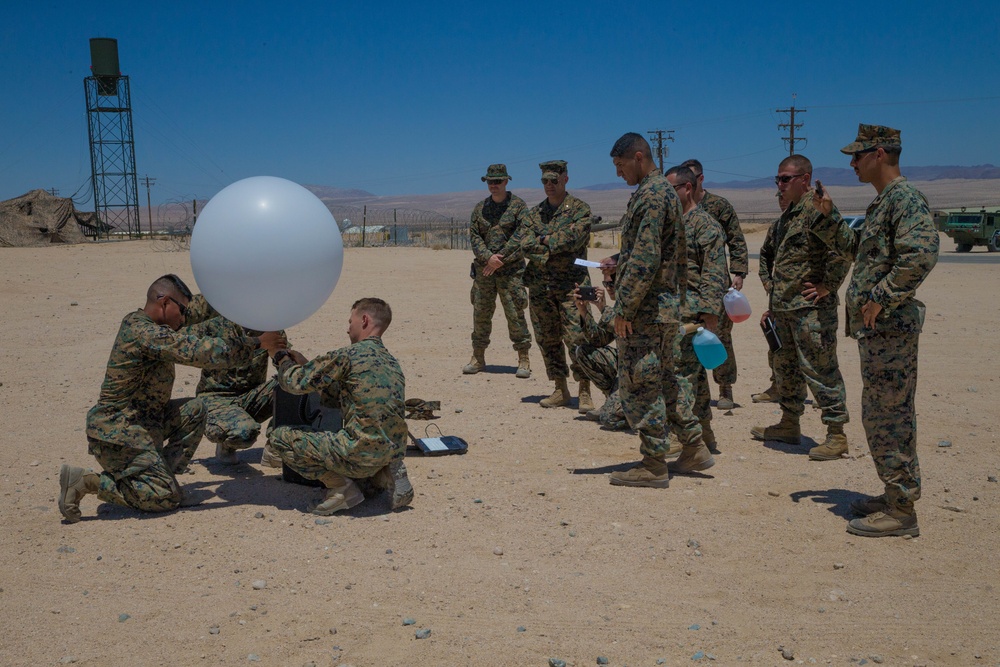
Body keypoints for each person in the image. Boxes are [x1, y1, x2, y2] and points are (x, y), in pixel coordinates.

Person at [58, 274, 285, 523]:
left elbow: (199, 309)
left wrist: (240, 292)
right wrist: (256, 344)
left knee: (195, 410)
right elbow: (199, 352)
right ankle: (88, 482)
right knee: (162, 499)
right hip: (119, 431)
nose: (185, 318)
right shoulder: (143, 332)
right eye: (182, 311)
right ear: (165, 302)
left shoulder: (158, 325)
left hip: (146, 422)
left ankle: (162, 478)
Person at [812, 124, 939, 537]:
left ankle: (903, 510)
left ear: (879, 153)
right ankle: (893, 494)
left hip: (891, 331)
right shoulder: (882, 204)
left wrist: (881, 297)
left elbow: (921, 253)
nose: (852, 164)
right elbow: (857, 253)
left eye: (857, 156)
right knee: (881, 413)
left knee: (891, 414)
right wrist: (829, 219)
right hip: (879, 335)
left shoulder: (903, 199)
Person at [604, 133, 714, 488]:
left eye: (621, 167)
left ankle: (653, 464)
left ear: (639, 157)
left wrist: (624, 307)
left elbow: (647, 257)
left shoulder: (652, 194)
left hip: (648, 311)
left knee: (642, 382)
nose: (620, 174)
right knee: (667, 380)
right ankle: (694, 446)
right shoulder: (662, 192)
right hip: (663, 307)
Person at [267, 298, 412, 515]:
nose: (347, 329)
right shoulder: (391, 362)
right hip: (394, 448)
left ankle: (341, 489)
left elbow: (293, 383)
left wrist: (279, 356)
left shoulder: (348, 355)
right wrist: (306, 365)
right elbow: (333, 398)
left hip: (360, 450)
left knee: (279, 438)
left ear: (364, 320)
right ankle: (383, 473)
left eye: (350, 321)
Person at [750, 155, 852, 461]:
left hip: (810, 311)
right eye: (777, 179)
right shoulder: (787, 216)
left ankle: (836, 434)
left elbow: (844, 251)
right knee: (786, 369)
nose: (779, 185)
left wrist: (827, 286)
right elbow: (772, 257)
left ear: (805, 179)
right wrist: (772, 292)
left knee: (820, 369)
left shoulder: (818, 211)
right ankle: (789, 423)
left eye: (785, 179)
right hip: (784, 309)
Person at [521, 160, 595, 411]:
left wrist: (544, 241)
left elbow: (575, 239)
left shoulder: (579, 209)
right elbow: (525, 244)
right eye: (545, 181)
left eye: (554, 180)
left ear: (565, 179)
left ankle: (584, 389)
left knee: (577, 338)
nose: (549, 185)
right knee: (547, 338)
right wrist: (552, 246)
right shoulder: (534, 213)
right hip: (541, 287)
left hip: (572, 286)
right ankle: (560, 388)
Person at [665, 166, 729, 453]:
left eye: (671, 190)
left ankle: (682, 437)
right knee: (694, 374)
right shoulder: (673, 224)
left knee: (680, 373)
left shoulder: (705, 225)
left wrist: (710, 312)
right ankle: (706, 433)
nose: (667, 196)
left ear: (687, 188)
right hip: (674, 309)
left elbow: (715, 271)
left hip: (693, 312)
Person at [679, 159, 748, 410]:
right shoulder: (677, 210)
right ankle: (697, 397)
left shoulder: (718, 206)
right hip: (688, 290)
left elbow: (737, 240)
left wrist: (739, 271)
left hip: (715, 283)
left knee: (719, 337)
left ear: (700, 179)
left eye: (695, 177)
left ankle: (725, 387)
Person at [182, 295, 282, 466]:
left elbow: (281, 357)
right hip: (216, 399)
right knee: (244, 434)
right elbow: (181, 346)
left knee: (291, 383)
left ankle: (276, 445)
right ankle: (225, 442)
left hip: (251, 397)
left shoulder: (267, 324)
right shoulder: (213, 323)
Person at [464, 164, 533, 378]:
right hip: (485, 271)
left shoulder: (519, 207)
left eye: (498, 181)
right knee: (481, 313)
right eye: (490, 182)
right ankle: (478, 356)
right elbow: (475, 236)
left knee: (515, 315)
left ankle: (523, 358)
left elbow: (521, 236)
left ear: (506, 182)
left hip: (510, 271)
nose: (494, 185)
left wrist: (499, 259)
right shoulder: (480, 209)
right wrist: (488, 258)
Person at [569, 259, 629, 432]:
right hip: (625, 367)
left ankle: (634, 413)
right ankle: (614, 399)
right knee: (585, 352)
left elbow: (626, 328)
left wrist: (603, 308)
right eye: (605, 284)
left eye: (611, 283)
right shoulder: (619, 305)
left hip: (641, 371)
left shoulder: (635, 304)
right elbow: (598, 340)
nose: (608, 288)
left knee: (609, 419)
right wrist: (584, 312)